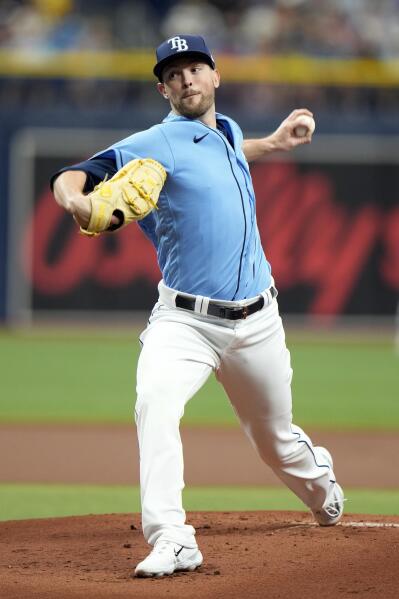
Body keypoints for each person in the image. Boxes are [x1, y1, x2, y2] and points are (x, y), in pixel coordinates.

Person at [52, 34, 344, 578]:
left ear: (215, 78)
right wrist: (76, 199)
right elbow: (75, 175)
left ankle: (319, 479)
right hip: (184, 321)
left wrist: (275, 143)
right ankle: (172, 538)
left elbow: (231, 148)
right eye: (174, 73)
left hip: (257, 322)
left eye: (195, 68)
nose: (186, 79)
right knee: (154, 402)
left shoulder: (228, 130)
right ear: (163, 88)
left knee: (275, 443)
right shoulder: (154, 142)